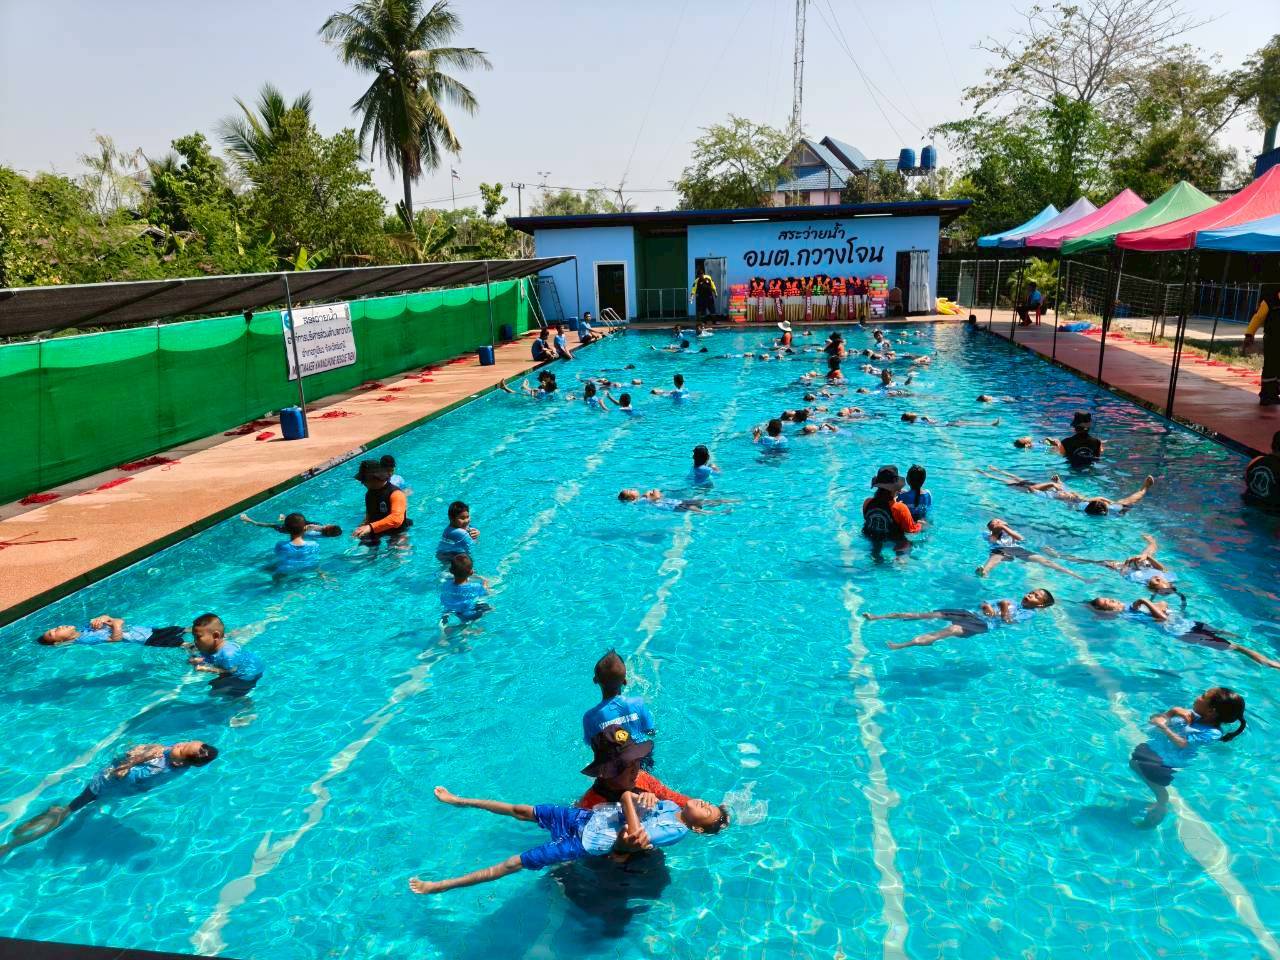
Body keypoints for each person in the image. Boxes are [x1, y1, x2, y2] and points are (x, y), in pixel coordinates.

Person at [407, 779, 728, 895]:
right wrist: (643, 797)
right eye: (709, 803)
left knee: (512, 863)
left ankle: (440, 885)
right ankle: (460, 800)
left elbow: (633, 834)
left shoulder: (676, 831)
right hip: (587, 818)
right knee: (522, 810)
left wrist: (629, 798)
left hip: (585, 843)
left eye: (709, 812)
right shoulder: (671, 806)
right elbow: (639, 811)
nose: (705, 804)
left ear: (699, 828)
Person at [0, 741, 219, 857]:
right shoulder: (180, 763)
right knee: (81, 805)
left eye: (182, 748)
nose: (179, 744)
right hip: (119, 790)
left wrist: (132, 755)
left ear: (181, 761)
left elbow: (122, 775)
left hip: (104, 785)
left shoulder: (157, 768)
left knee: (67, 809)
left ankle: (11, 845)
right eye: (186, 742)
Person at [1130, 687, 1245, 826]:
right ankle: (1160, 798)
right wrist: (1172, 712)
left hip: (1166, 761)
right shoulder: (1191, 715)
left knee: (1151, 779)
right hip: (1155, 749)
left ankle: (1161, 804)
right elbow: (1154, 719)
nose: (1197, 697)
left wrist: (1164, 728)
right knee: (1134, 764)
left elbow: (1183, 744)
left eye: (1203, 696)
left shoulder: (1213, 733)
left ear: (1211, 711)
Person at [1086, 597, 1280, 669]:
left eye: (1108, 598)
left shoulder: (1131, 606)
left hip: (1189, 624)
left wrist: (1151, 604)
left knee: (1229, 635)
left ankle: (1263, 654)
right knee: (1237, 647)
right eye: (1108, 603)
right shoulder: (1128, 616)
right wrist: (1145, 602)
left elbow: (1163, 604)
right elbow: (1162, 618)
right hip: (1181, 632)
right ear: (1110, 611)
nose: (1111, 600)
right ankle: (1271, 663)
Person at [863, 589, 1056, 649]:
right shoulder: (1011, 600)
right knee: (926, 614)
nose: (1030, 595)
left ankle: (903, 645)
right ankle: (879, 617)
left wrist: (1002, 609)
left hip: (982, 625)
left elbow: (1008, 622)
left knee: (949, 631)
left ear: (1040, 605)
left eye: (1036, 596)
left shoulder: (1029, 614)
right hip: (970, 613)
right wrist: (988, 607)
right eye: (1032, 592)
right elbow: (985, 603)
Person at [977, 466, 1155, 515]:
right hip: (1056, 489)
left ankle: (990, 474)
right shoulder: (1080, 501)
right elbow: (1080, 496)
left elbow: (1031, 489)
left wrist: (1051, 485)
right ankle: (995, 471)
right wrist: (1060, 483)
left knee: (1016, 482)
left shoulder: (1051, 497)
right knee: (1129, 501)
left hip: (1041, 489)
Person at [582, 650, 656, 745]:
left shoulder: (590, 717)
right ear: (625, 682)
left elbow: (591, 744)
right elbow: (651, 732)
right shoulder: (638, 703)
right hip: (641, 752)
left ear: (595, 680)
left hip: (611, 754)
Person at [975, 519, 1086, 580]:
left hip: (1017, 550)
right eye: (995, 523)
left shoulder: (1009, 532)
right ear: (990, 527)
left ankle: (1078, 577)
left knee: (1046, 561)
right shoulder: (987, 533)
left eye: (999, 521)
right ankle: (983, 573)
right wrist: (997, 529)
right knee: (994, 560)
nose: (998, 523)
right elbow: (993, 540)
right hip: (1000, 550)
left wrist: (1004, 528)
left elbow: (1020, 539)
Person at [189, 612, 263, 696]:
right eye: (194, 637)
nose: (195, 641)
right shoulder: (209, 647)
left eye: (198, 637)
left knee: (214, 691)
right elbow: (205, 657)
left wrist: (208, 669)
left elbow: (230, 671)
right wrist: (195, 659)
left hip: (248, 674)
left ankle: (242, 700)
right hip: (236, 667)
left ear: (215, 636)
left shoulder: (228, 655)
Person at [38, 616, 188, 648]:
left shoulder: (86, 628)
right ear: (59, 642)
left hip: (148, 630)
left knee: (182, 629)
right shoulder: (84, 640)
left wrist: (104, 618)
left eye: (54, 627)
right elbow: (115, 639)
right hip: (147, 639)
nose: (57, 627)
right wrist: (116, 624)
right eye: (53, 633)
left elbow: (111, 619)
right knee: (182, 644)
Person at [352, 461, 411, 542]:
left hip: (397, 531)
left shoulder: (396, 494)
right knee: (364, 546)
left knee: (399, 548)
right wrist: (362, 527)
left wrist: (370, 527)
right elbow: (369, 516)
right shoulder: (369, 494)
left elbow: (396, 519)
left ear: (375, 478)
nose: (362, 483)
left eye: (364, 480)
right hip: (376, 529)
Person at [862, 466, 923, 539]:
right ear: (896, 487)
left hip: (870, 537)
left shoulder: (867, 502)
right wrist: (920, 524)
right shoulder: (900, 508)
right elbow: (911, 530)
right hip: (892, 541)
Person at [1242, 284, 1279, 405]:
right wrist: (1249, 334)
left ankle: (1274, 394)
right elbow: (1258, 318)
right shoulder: (1269, 300)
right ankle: (1266, 396)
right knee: (1270, 366)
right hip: (1272, 340)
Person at [441, 554, 491, 624]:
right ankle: (466, 627)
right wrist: (485, 582)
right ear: (471, 572)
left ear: (451, 571)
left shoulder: (446, 584)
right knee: (490, 608)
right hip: (468, 612)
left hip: (451, 609)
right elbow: (487, 593)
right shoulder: (475, 586)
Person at [1243, 430, 1280, 508]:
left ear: (1272, 445)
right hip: (1272, 513)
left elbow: (1247, 481)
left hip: (1249, 504)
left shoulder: (1255, 460)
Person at [617, 489, 732, 513]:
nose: (633, 489)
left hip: (676, 502)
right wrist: (654, 491)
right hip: (674, 507)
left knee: (704, 502)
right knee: (699, 510)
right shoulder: (639, 502)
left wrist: (648, 494)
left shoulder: (641, 499)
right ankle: (721, 513)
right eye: (630, 490)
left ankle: (730, 501)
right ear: (631, 498)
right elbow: (657, 497)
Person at [240, 513, 341, 537]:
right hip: (295, 529)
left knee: (271, 525)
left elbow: (307, 527)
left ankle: (248, 520)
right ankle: (284, 519)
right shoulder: (323, 534)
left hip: (291, 529)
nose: (330, 523)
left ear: (329, 529)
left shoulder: (318, 527)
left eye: (331, 525)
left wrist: (308, 528)